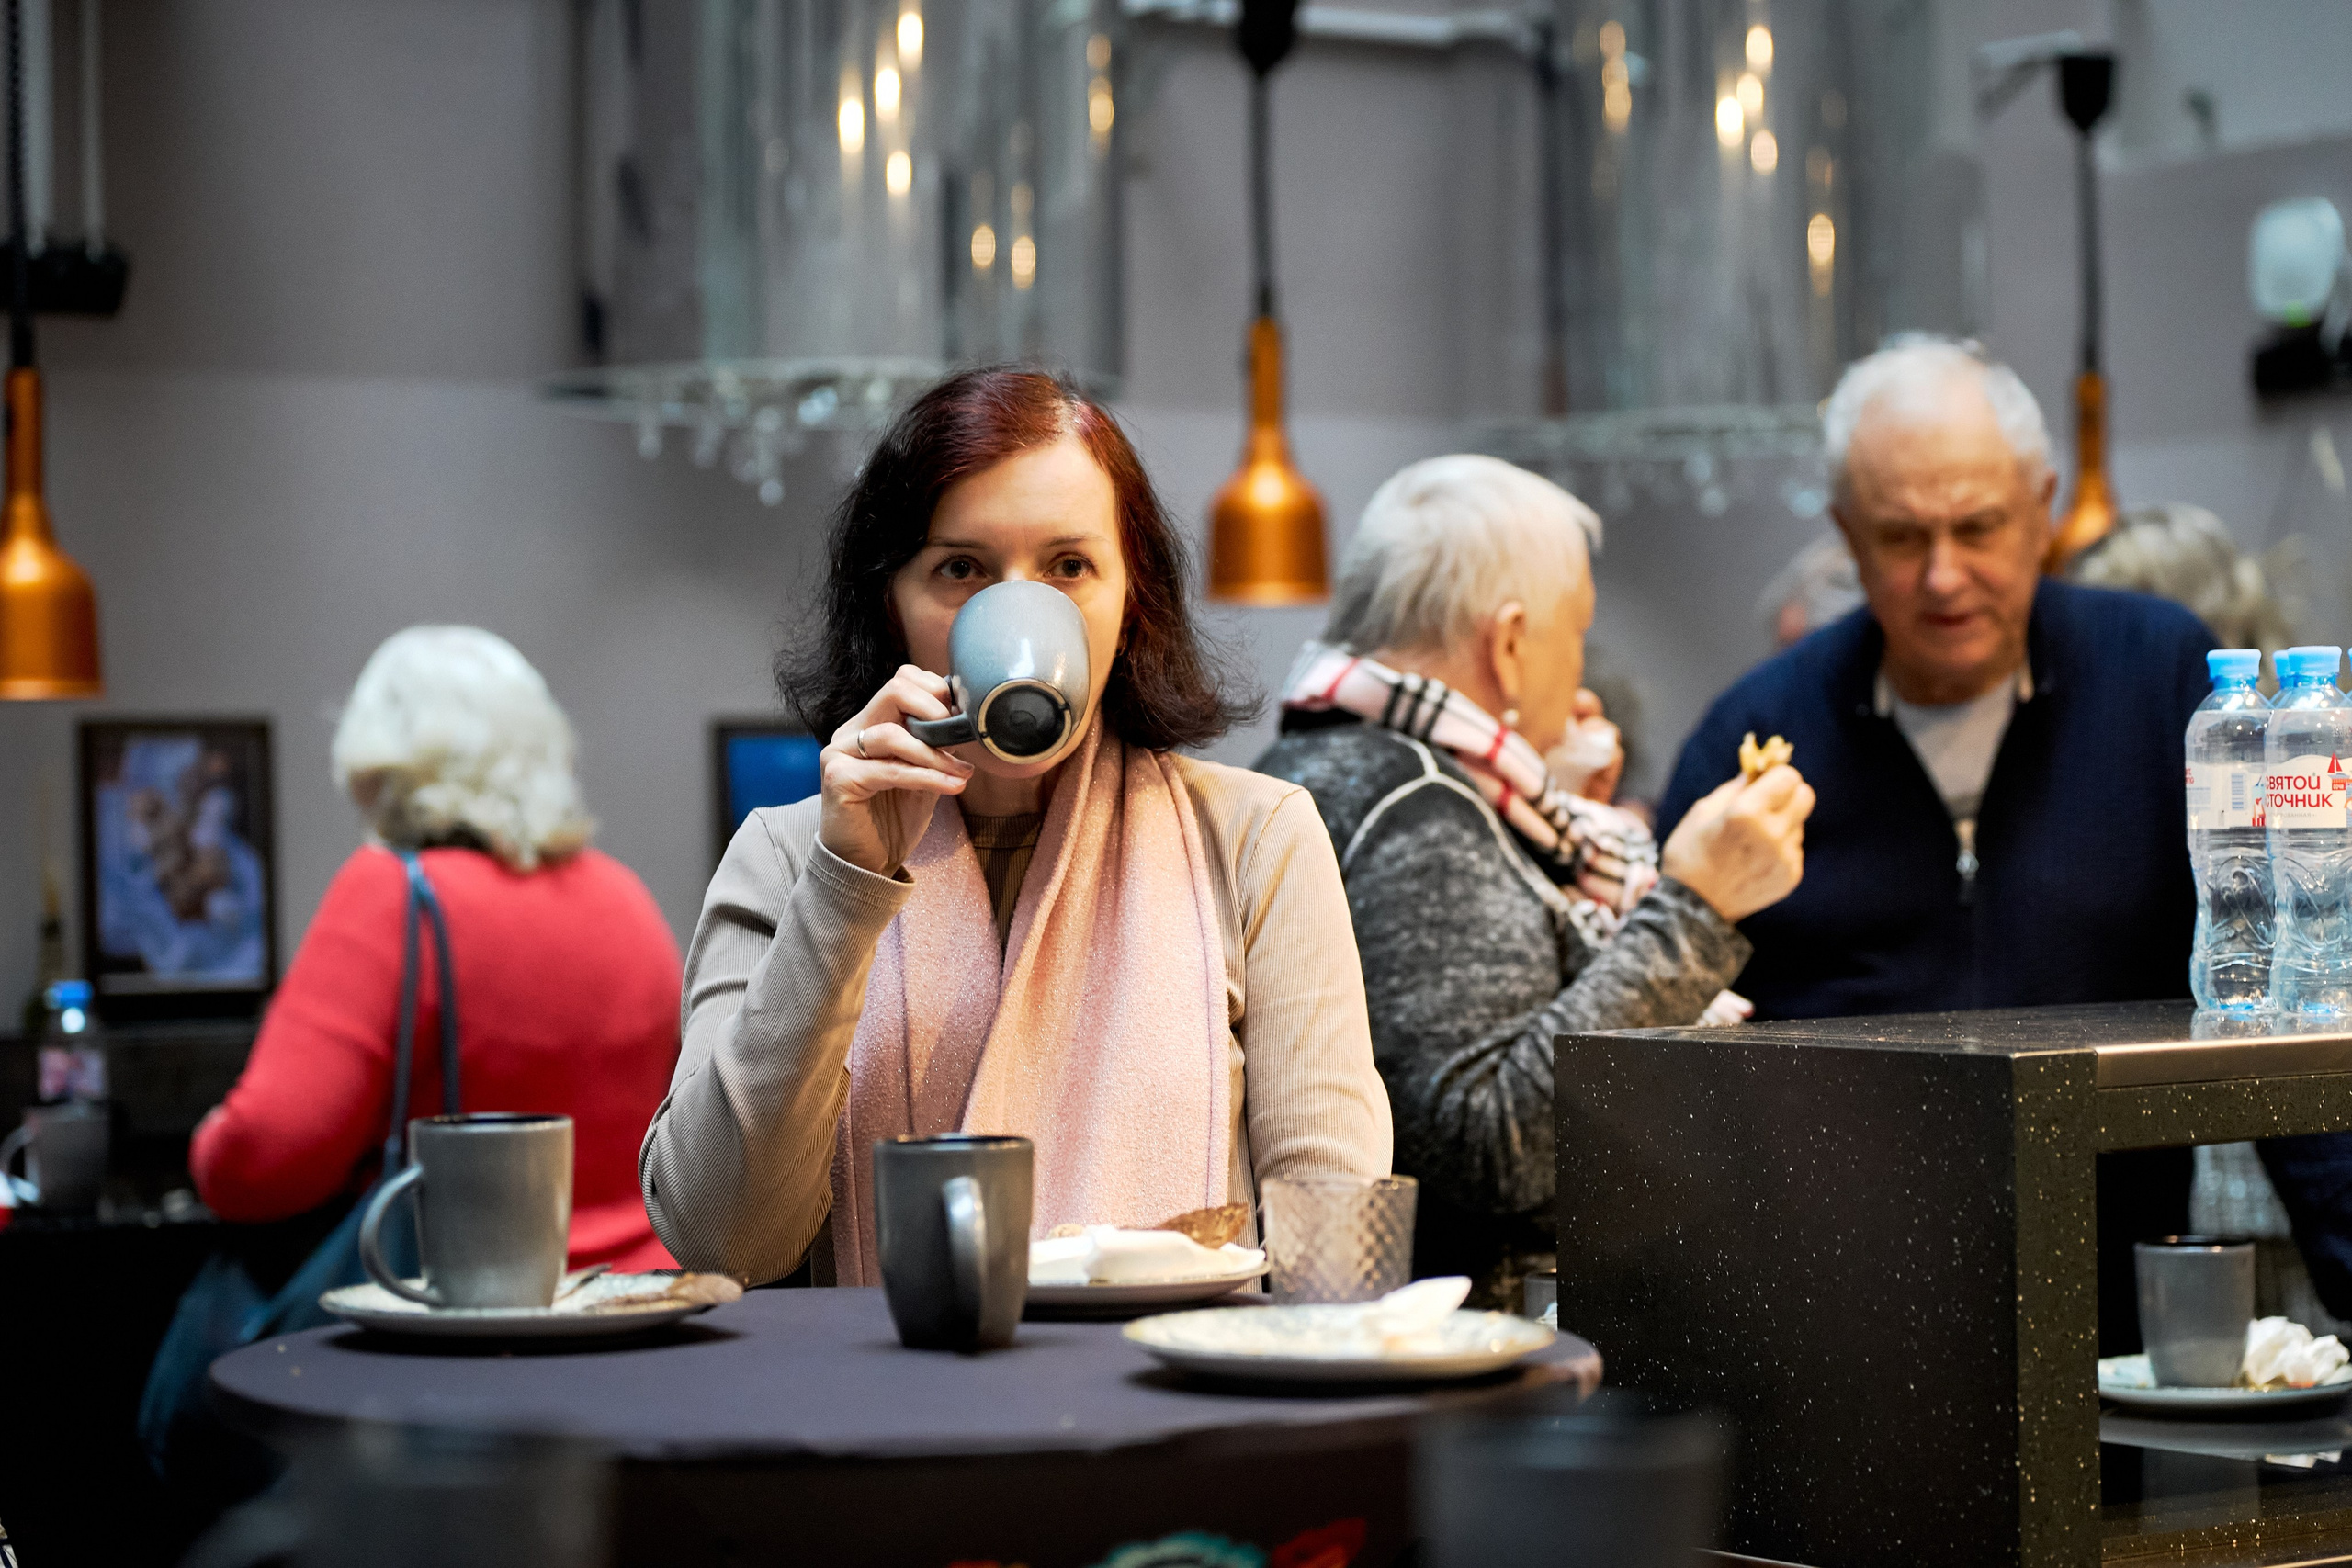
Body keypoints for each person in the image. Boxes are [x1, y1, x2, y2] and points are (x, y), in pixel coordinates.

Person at [641, 367, 1392, 1285]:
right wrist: (844, 887)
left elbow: (1335, 1242)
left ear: (1132, 599)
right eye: (961, 570)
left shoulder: (1253, 839)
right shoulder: (790, 856)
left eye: (1069, 568)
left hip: (1175, 1413)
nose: (1020, 607)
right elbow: (720, 1237)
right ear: (892, 603)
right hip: (886, 1422)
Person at [1654, 336, 2212, 1351]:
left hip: (2124, 1310)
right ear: (1845, 539)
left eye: (1979, 527)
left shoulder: (2161, 677)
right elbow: (1664, 1073)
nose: (1943, 576)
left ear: (2041, 508)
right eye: (1902, 537)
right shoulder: (1752, 740)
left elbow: (2282, 984)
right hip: (1830, 1319)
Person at [1253, 455, 1813, 1307]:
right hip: (1486, 1356)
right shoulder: (1421, 810)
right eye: (1576, 629)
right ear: (1510, 644)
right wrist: (1697, 909)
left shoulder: (1319, 762)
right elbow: (1489, 1143)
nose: (1582, 669)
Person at [191, 626, 683, 1271]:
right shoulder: (626, 897)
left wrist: (205, 1145)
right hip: (650, 1313)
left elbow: (260, 1158)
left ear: (379, 764)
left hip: (473, 1319)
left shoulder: (394, 893)